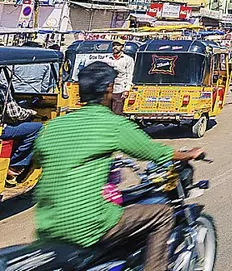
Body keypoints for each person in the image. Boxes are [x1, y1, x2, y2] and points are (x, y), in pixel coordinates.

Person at [33, 62, 202, 271]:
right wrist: (187, 154)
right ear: (109, 89)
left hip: (47, 226)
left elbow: (40, 160)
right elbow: (153, 152)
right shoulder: (112, 124)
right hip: (86, 225)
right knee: (163, 214)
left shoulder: (52, 127)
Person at [1, 80, 43, 186]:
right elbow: (15, 114)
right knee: (38, 128)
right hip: (3, 130)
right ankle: (15, 165)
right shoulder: (2, 89)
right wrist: (31, 112)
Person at [101, 42, 134, 116]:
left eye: (117, 45)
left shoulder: (128, 59)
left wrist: (127, 89)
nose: (115, 47)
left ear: (122, 47)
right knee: (106, 112)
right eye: (113, 45)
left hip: (120, 89)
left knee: (117, 112)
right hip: (108, 89)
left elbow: (129, 75)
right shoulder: (107, 59)